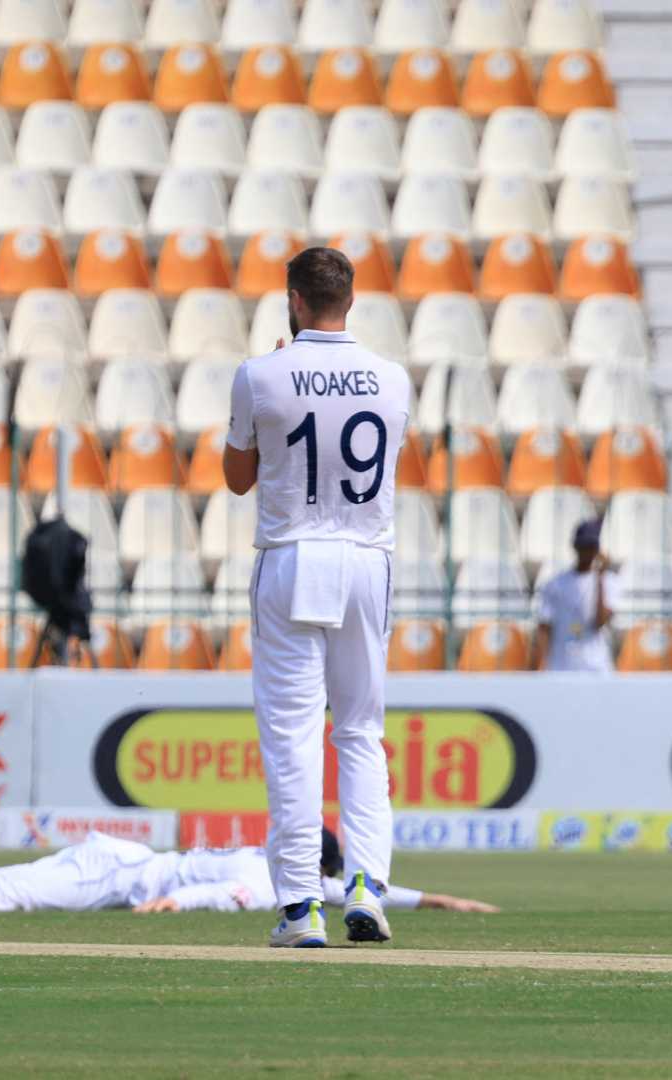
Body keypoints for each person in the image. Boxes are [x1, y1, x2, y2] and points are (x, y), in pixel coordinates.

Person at [223, 247, 413, 949]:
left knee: (292, 737)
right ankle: (367, 887)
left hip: (292, 556)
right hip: (366, 557)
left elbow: (237, 478)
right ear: (350, 301)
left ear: (293, 300)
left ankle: (302, 903)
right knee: (361, 732)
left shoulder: (260, 375)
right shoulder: (392, 380)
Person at [0, 830, 499, 915]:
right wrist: (175, 909)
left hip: (119, 858)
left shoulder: (279, 858)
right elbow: (232, 896)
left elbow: (360, 890)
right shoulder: (282, 881)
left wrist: (438, 899)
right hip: (115, 880)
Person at [534, 520, 619, 672]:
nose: (587, 551)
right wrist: (537, 666)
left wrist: (600, 578)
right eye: (583, 546)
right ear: (575, 546)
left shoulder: (610, 582)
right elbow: (544, 628)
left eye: (591, 547)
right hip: (561, 666)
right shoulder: (554, 583)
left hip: (596, 666)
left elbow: (600, 622)